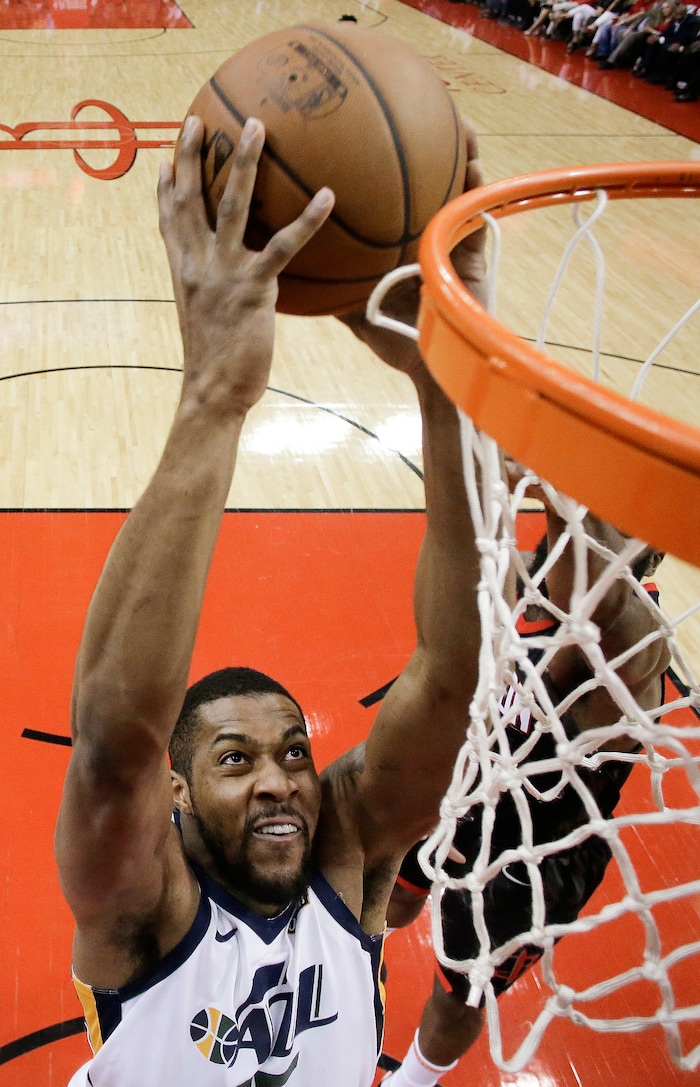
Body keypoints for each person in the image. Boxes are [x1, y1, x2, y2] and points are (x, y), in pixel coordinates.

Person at [54, 113, 491, 1087]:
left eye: (294, 750)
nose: (280, 777)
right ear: (173, 794)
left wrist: (444, 380)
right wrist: (212, 392)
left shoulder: (346, 854)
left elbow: (455, 674)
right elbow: (115, 739)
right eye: (235, 757)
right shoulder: (142, 907)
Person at [381, 483, 669, 1087]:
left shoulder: (638, 644)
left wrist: (559, 470)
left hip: (533, 858)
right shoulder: (534, 580)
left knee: (458, 990)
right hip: (467, 787)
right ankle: (354, 971)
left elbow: (599, 598)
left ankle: (413, 1081)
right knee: (392, 891)